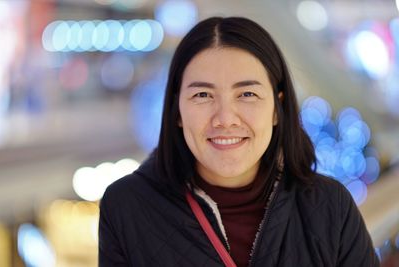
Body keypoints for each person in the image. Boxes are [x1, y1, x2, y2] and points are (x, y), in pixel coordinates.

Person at [99, 17, 379, 267]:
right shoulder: (126, 207)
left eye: (246, 94)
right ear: (177, 112)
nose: (225, 119)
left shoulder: (330, 206)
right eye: (202, 96)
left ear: (276, 109)